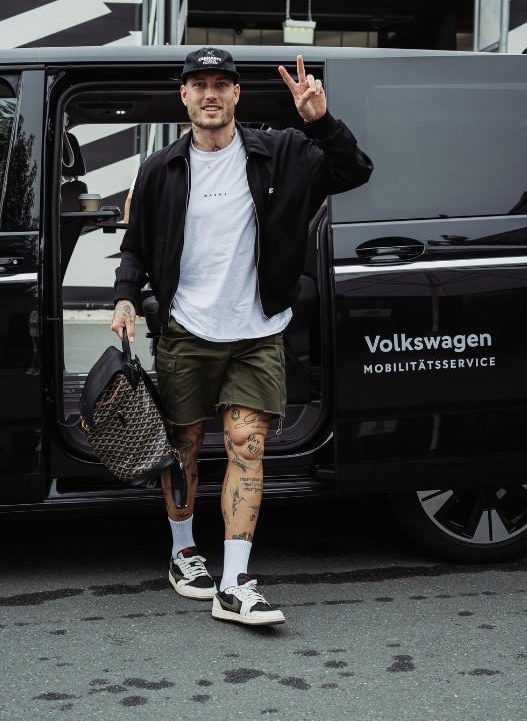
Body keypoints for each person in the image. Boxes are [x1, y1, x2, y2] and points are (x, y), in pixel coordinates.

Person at [111, 47, 372, 627]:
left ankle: (234, 583)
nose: (211, 94)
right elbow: (136, 245)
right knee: (182, 446)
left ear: (236, 94)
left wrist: (321, 121)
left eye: (221, 84)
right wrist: (126, 295)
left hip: (258, 331)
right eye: (199, 84)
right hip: (187, 329)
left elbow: (354, 171)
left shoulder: (284, 151)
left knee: (247, 447)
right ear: (184, 95)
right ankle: (183, 551)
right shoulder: (159, 169)